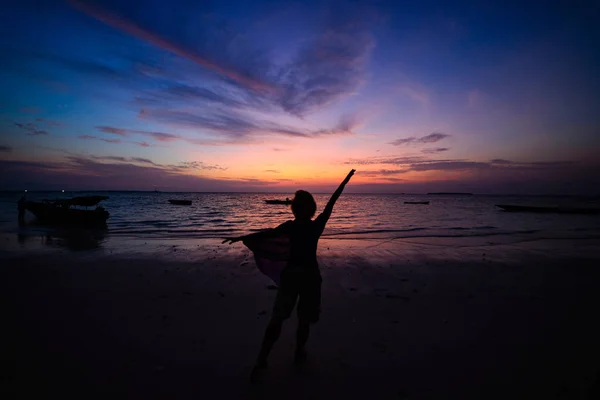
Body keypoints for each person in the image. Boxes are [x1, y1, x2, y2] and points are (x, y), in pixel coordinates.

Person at [223, 169, 355, 380]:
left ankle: (262, 359)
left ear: (294, 209)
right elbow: (332, 203)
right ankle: (298, 353)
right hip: (310, 278)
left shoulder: (290, 227)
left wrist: (242, 237)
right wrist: (345, 180)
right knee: (303, 320)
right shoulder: (315, 227)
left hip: (291, 277)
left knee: (278, 318)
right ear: (312, 209)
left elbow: (266, 235)